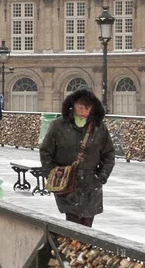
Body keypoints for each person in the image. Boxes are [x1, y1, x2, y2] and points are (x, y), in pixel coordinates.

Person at [37, 88, 116, 226]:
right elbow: (46, 151)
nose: (84, 111)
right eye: (81, 107)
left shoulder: (99, 127)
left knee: (87, 223)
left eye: (88, 108)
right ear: (73, 106)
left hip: (91, 182)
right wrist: (53, 173)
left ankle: (80, 247)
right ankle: (72, 247)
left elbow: (108, 153)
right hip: (67, 180)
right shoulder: (58, 126)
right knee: (73, 221)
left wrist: (102, 175)